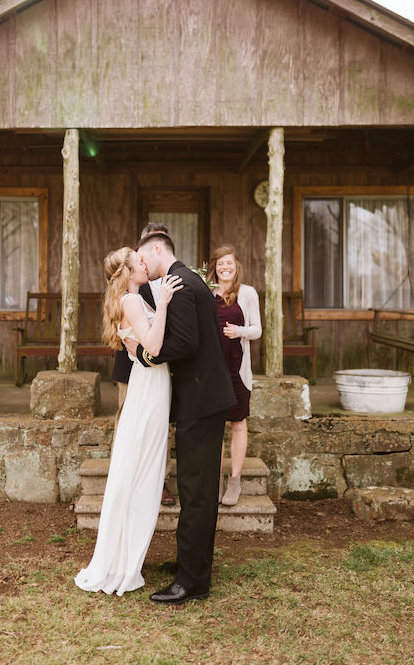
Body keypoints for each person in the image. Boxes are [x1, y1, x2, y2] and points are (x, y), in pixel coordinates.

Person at [127, 233, 236, 604]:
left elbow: (186, 344)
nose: (142, 264)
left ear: (157, 249)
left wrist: (144, 355)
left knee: (196, 491)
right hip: (202, 398)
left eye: (143, 256)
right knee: (197, 490)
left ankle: (192, 581)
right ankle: (192, 564)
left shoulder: (182, 284)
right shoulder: (185, 279)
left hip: (202, 401)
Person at [74, 248, 182, 596]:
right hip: (149, 386)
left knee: (140, 469)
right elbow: (151, 343)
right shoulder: (133, 301)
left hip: (149, 383)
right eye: (139, 258)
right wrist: (163, 304)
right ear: (129, 269)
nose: (145, 261)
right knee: (143, 472)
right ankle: (124, 562)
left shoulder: (132, 298)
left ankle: (125, 556)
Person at [111, 221, 175, 507]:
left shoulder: (160, 279)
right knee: (130, 428)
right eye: (140, 254)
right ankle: (129, 485)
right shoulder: (131, 291)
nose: (145, 259)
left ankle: (155, 482)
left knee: (155, 431)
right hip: (136, 365)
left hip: (154, 366)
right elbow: (140, 331)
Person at [207, 244, 261, 507]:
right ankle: (214, 479)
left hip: (237, 371)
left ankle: (235, 479)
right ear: (214, 268)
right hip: (213, 372)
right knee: (215, 426)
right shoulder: (207, 293)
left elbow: (257, 330)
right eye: (220, 263)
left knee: (237, 423)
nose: (225, 267)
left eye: (229, 263)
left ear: (236, 266)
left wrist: (238, 331)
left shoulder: (247, 293)